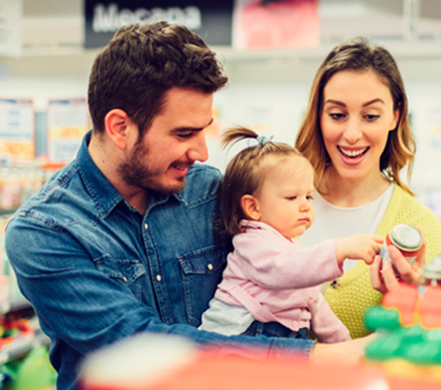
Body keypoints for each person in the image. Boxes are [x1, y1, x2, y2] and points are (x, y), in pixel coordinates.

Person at [4, 23, 371, 390]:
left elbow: (278, 253)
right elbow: (138, 343)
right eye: (184, 134)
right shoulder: (44, 231)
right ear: (119, 128)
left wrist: (379, 257)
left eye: (204, 130)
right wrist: (325, 359)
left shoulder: (209, 191)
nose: (201, 152)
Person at [295, 37, 441, 339]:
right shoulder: (275, 201)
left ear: (395, 116)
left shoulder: (418, 227)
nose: (351, 134)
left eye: (370, 116)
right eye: (337, 115)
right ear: (318, 116)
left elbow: (418, 347)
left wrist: (412, 307)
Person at [198, 127, 383, 342]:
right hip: (236, 336)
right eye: (292, 197)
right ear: (253, 207)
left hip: (284, 338)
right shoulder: (251, 242)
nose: (305, 206)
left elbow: (314, 301)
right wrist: (339, 249)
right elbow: (286, 268)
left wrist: (343, 344)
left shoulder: (291, 250)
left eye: (308, 196)